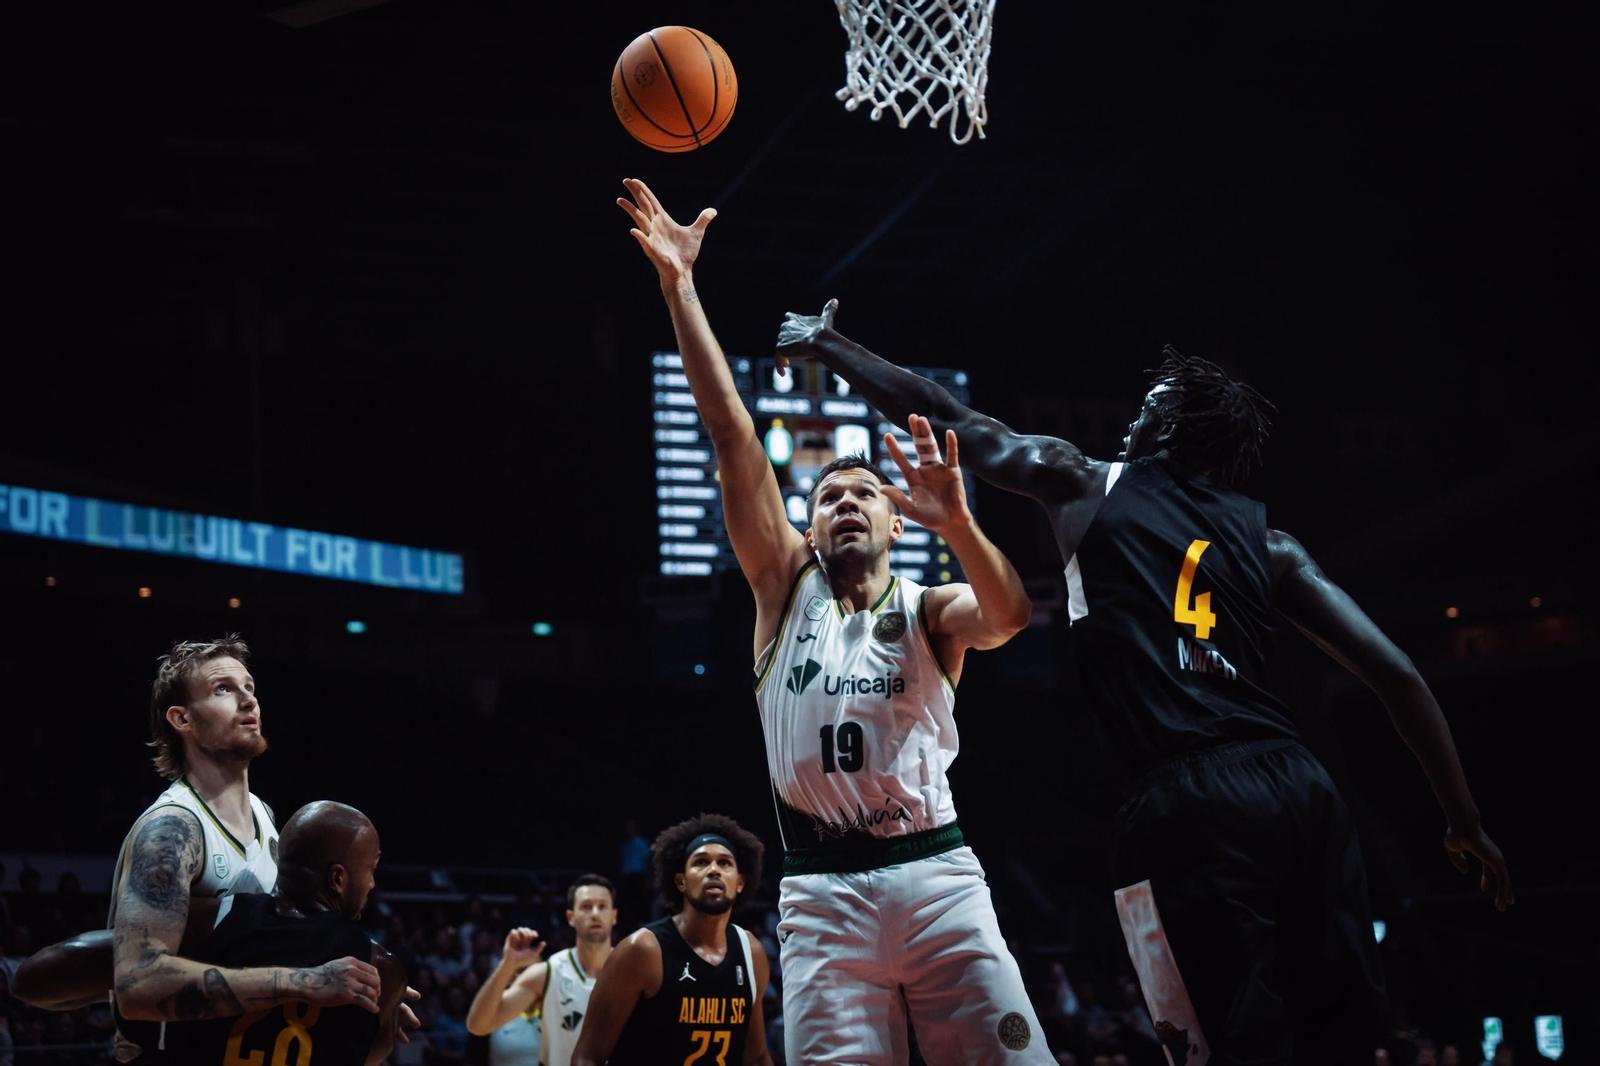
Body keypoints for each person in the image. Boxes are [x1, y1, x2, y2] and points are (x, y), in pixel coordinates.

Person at [775, 306, 1514, 1064]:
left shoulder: (1086, 483)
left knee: (1210, 1044)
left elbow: (946, 415)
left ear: (1164, 429)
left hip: (1186, 799)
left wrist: (831, 346)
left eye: (1145, 411)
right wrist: (1461, 816)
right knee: (1348, 1038)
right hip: (1299, 789)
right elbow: (1395, 672)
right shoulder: (1273, 545)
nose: (1128, 425)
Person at [618, 178, 1050, 1065]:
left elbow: (1009, 614)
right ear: (808, 528)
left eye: (864, 493)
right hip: (822, 895)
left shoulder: (928, 610)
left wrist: (962, 521)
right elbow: (733, 433)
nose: (846, 502)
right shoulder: (782, 589)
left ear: (897, 520)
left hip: (937, 881)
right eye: (828, 496)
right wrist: (679, 288)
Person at [160, 801, 409, 1066]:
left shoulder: (204, 920)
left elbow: (131, 970)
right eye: (371, 869)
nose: (372, 883)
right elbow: (371, 1056)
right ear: (337, 879)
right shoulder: (380, 968)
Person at [571, 814, 771, 1066]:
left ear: (740, 882)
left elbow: (757, 1058)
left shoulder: (751, 952)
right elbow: (587, 1056)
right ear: (681, 882)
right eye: (700, 862)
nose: (713, 870)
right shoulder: (642, 951)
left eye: (725, 863)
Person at [466, 875, 619, 1065]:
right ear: (571, 917)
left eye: (602, 906)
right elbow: (478, 1026)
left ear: (614, 916)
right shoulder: (547, 973)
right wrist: (507, 966)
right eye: (586, 906)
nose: (595, 914)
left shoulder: (633, 970)